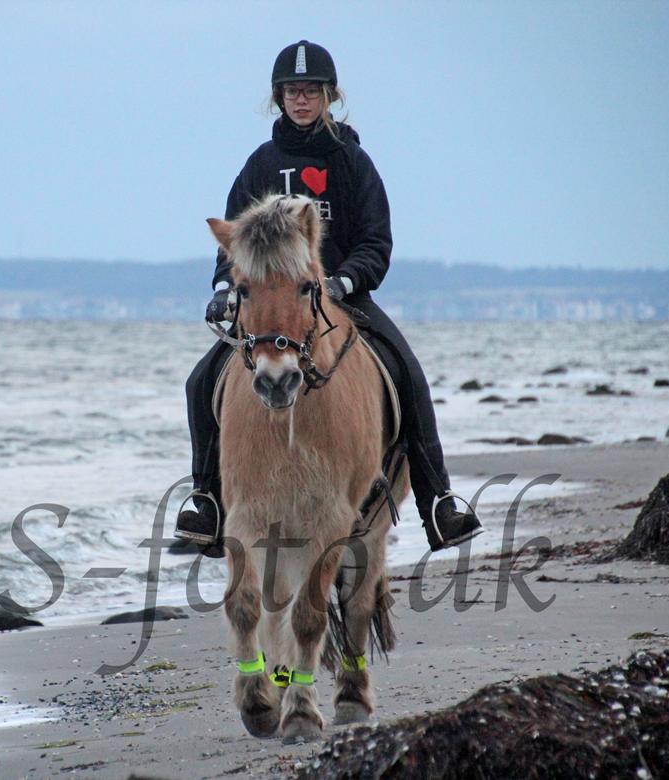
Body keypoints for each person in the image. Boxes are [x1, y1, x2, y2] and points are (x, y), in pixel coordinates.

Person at [175, 40, 483, 553]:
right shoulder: (259, 166)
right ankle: (206, 499)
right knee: (199, 382)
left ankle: (439, 501)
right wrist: (225, 288)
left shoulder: (353, 162)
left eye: (311, 91)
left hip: (343, 296)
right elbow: (234, 242)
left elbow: (376, 242)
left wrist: (340, 282)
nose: (301, 100)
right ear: (279, 98)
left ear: (328, 96)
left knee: (407, 373)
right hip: (272, 305)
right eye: (292, 91)